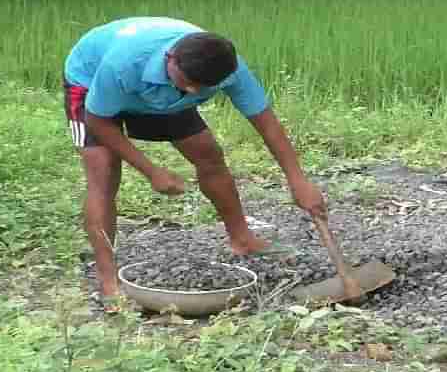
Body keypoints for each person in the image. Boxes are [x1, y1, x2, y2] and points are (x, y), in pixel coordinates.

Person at [63, 17, 327, 311]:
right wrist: (151, 171)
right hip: (93, 82)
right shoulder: (122, 64)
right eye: (188, 83)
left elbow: (266, 123)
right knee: (104, 173)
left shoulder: (223, 69)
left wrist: (297, 179)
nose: (192, 92)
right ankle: (109, 280)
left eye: (201, 88)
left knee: (208, 154)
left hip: (162, 89)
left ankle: (242, 238)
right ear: (170, 59)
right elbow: (97, 121)